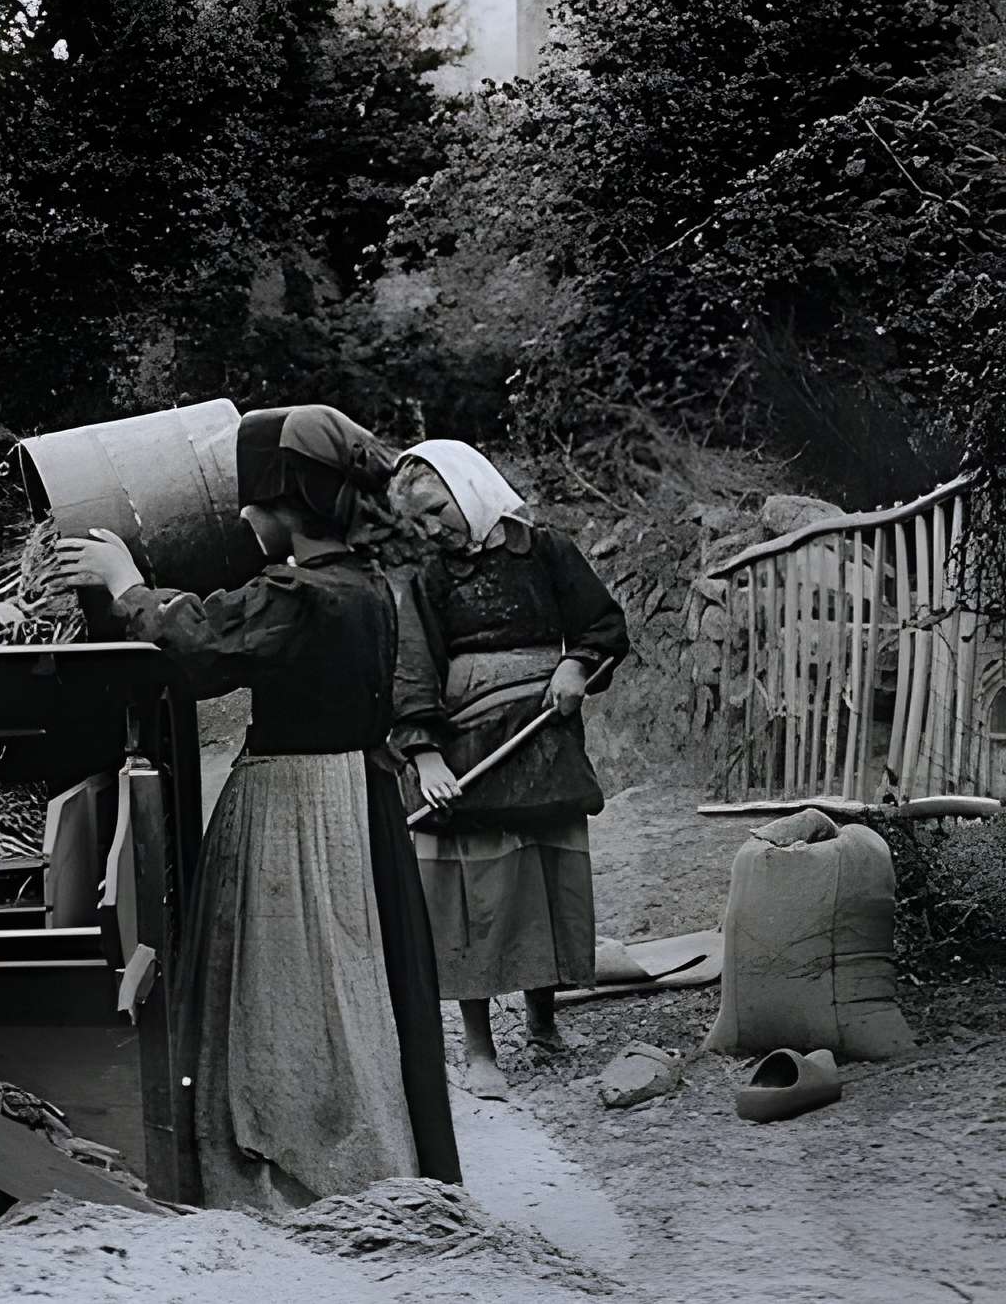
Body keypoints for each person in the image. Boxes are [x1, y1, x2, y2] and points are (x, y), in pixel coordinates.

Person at [55, 404, 460, 1216]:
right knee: (346, 982)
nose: (242, 515)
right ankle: (359, 1146)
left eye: (256, 505)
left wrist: (125, 583)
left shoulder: (299, 595)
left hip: (295, 810)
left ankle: (301, 1164)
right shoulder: (369, 586)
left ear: (291, 510)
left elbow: (199, 646)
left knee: (282, 988)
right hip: (357, 800)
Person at [389, 439, 628, 1100]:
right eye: (419, 523)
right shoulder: (428, 582)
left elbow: (604, 624)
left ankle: (543, 1027)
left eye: (437, 510)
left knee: (541, 883)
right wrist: (427, 755)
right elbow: (410, 671)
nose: (431, 529)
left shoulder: (546, 551)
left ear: (470, 488)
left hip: (540, 743)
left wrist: (576, 664)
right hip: (465, 757)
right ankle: (478, 1050)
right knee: (474, 902)